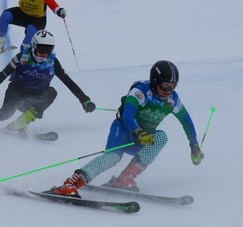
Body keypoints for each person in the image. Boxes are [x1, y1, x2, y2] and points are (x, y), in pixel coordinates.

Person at [49, 60, 204, 197]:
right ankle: (70, 184)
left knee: (161, 137)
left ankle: (125, 179)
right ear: (155, 81)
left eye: (173, 86)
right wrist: (138, 131)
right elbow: (128, 115)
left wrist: (194, 145)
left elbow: (186, 121)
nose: (168, 90)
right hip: (123, 132)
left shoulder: (172, 99)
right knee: (113, 158)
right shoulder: (140, 91)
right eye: (165, 85)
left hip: (143, 139)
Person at [0, 30, 95, 135]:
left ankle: (20, 123)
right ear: (34, 46)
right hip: (16, 92)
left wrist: (85, 100)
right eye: (41, 49)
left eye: (48, 50)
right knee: (5, 113)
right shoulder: (22, 57)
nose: (44, 54)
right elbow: (2, 75)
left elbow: (68, 82)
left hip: (35, 98)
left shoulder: (52, 62)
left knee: (52, 92)